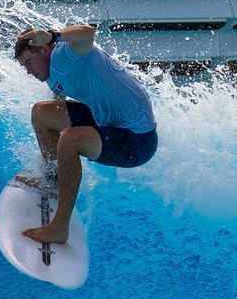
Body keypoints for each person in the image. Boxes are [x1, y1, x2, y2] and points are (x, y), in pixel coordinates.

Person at [9, 24, 158, 246]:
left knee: (70, 138)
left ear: (44, 50)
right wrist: (53, 149)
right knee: (41, 113)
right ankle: (52, 180)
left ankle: (60, 227)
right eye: (24, 67)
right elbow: (58, 97)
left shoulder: (62, 54)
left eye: (29, 63)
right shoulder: (51, 72)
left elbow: (88, 33)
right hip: (108, 121)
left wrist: (52, 36)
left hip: (137, 139)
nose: (28, 71)